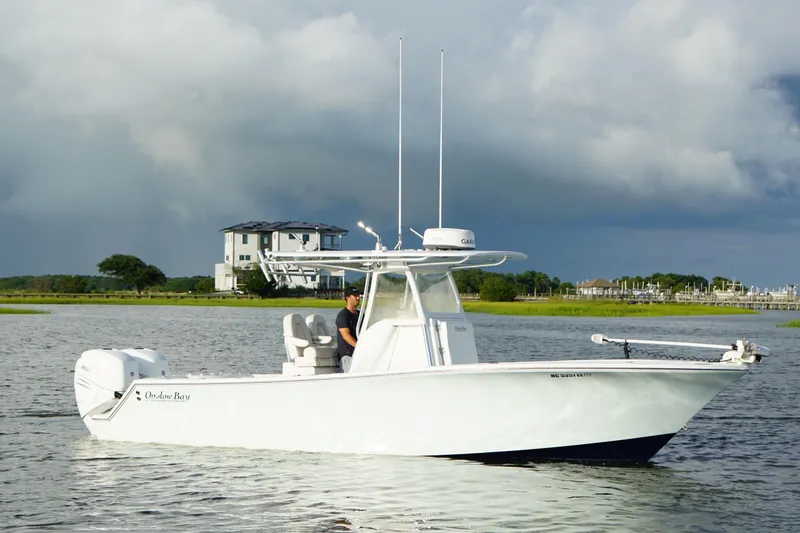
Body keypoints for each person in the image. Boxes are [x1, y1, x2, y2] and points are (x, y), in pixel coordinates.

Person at [335, 287, 361, 372]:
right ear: (348, 298)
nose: (358, 298)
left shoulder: (361, 315)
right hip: (347, 355)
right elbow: (346, 336)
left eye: (358, 295)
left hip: (359, 355)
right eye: (355, 296)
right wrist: (360, 347)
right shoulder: (343, 315)